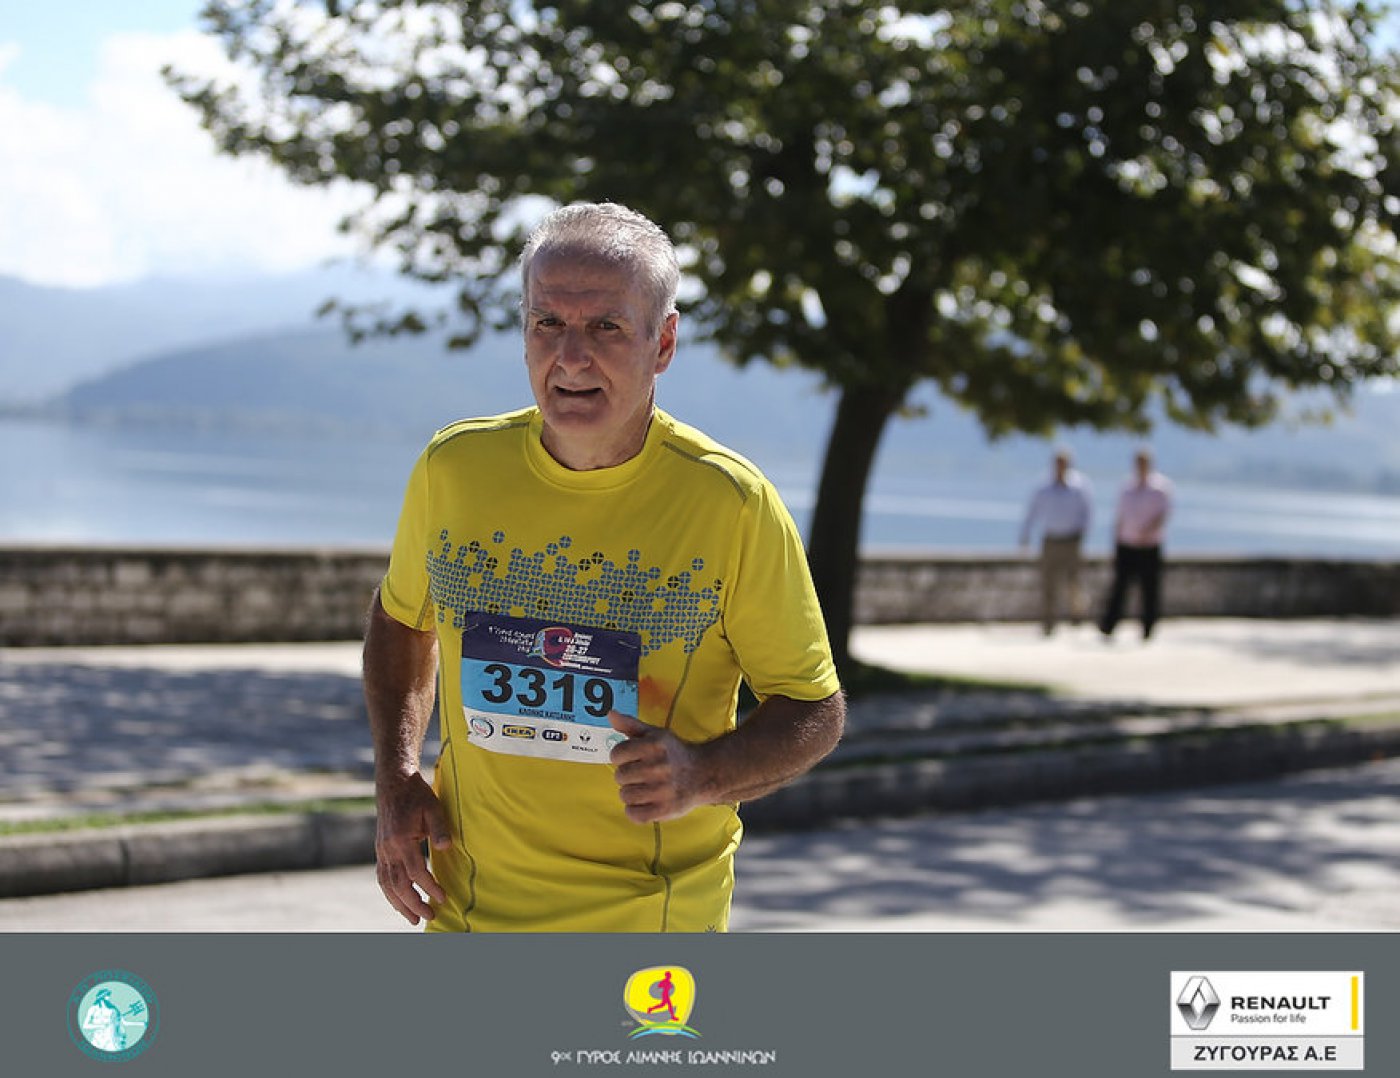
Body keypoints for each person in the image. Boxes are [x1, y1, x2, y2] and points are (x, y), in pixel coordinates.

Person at [363, 202, 845, 932]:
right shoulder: (453, 468)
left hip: (648, 924)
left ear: (664, 342)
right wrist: (397, 776)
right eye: (547, 323)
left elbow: (813, 709)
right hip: (467, 913)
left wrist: (701, 776)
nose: (571, 357)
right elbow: (402, 620)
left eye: (606, 327)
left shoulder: (731, 504)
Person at [1099, 449, 1173, 640]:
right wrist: (1117, 540)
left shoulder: (1160, 488)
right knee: (1120, 587)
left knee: (1149, 589)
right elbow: (1120, 516)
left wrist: (1148, 531)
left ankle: (1148, 627)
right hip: (1127, 544)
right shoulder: (1126, 487)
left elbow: (1164, 515)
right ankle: (1109, 625)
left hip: (1149, 545)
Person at [1018, 449, 1092, 635]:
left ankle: (1076, 615)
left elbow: (1087, 513)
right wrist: (1025, 534)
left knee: (1073, 581)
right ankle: (1048, 621)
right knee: (1048, 582)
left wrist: (1082, 534)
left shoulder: (1079, 486)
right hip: (1051, 539)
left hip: (1072, 539)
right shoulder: (1043, 487)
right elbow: (1032, 512)